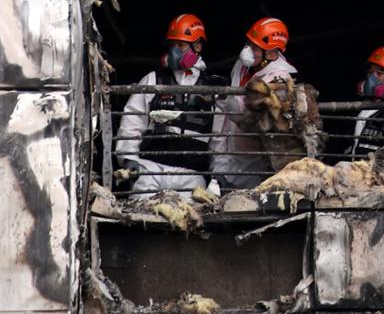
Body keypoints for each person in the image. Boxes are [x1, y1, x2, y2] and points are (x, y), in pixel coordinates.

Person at [114, 13, 221, 197]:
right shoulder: (153, 79)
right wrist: (128, 159)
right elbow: (132, 121)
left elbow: (219, 139)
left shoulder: (212, 89)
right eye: (172, 45)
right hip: (150, 169)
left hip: (191, 175)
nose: (174, 51)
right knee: (143, 214)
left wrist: (218, 176)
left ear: (197, 46)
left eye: (181, 45)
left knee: (188, 219)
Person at [210, 16, 298, 190]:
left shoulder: (280, 79)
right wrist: (216, 153)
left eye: (255, 47)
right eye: (248, 43)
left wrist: (223, 97)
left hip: (253, 161)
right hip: (226, 153)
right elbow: (223, 116)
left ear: (272, 53)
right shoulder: (241, 66)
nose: (248, 50)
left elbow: (250, 118)